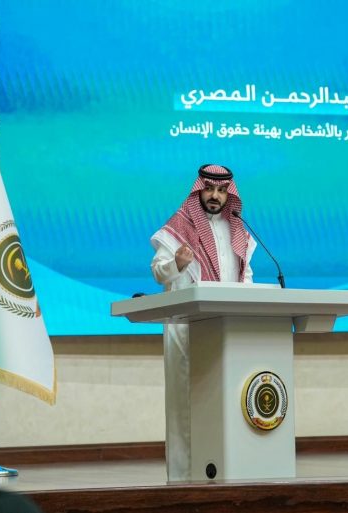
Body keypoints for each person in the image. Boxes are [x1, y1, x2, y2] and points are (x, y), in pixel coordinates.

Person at [151, 163, 256, 481]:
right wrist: (176, 263)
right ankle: (183, 479)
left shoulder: (238, 231)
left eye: (222, 191)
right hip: (187, 327)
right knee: (185, 403)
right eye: (209, 189)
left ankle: (226, 474)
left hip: (226, 328)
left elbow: (245, 276)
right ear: (199, 190)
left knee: (227, 398)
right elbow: (158, 273)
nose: (215, 196)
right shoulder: (179, 227)